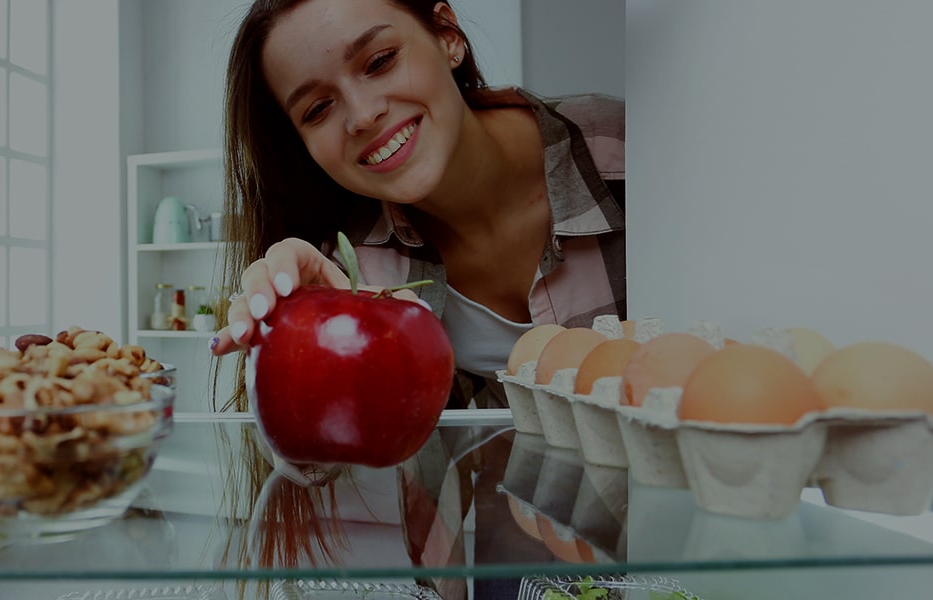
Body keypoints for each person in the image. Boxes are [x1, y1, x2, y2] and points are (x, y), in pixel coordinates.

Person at [208, 0, 625, 412]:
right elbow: (341, 469)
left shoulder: (624, 150)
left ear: (447, 36)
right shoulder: (350, 274)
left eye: (380, 61)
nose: (363, 116)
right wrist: (304, 365)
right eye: (318, 109)